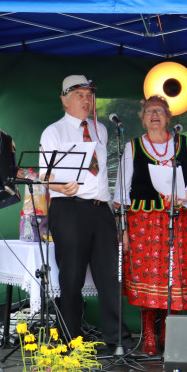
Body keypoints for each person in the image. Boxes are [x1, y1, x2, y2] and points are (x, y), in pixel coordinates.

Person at [40, 75, 124, 353]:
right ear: (64, 100)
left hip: (101, 209)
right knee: (72, 277)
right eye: (79, 94)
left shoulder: (101, 128)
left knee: (109, 276)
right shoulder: (53, 131)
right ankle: (69, 340)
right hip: (69, 207)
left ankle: (116, 340)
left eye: (89, 95)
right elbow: (43, 177)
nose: (86, 100)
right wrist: (60, 186)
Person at [114, 95, 187, 355]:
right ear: (142, 119)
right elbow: (120, 195)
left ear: (169, 117)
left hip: (179, 223)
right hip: (144, 226)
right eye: (149, 111)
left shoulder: (185, 144)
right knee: (147, 279)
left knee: (173, 279)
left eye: (160, 111)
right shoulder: (133, 147)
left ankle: (168, 332)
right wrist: (124, 233)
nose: (154, 115)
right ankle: (149, 333)